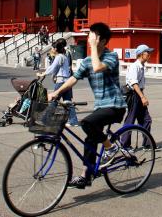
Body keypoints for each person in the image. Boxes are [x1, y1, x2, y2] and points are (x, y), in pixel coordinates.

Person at [47, 22, 126, 189]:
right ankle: (86, 176)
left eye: (92, 36)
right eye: (89, 36)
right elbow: (73, 79)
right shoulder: (87, 61)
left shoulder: (111, 57)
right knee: (90, 138)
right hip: (101, 107)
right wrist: (56, 93)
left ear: (102, 40)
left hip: (115, 105)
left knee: (87, 123)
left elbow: (97, 67)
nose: (89, 38)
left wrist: (94, 47)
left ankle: (110, 148)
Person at [36, 38, 78, 128]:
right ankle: (73, 121)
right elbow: (55, 68)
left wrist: (43, 73)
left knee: (54, 100)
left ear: (55, 49)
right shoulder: (64, 56)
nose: (51, 50)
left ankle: (45, 119)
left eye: (52, 48)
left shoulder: (59, 57)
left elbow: (53, 68)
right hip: (67, 81)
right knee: (67, 102)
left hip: (61, 81)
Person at [121, 44, 153, 145]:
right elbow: (134, 83)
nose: (149, 55)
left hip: (139, 93)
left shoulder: (142, 66)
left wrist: (142, 95)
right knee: (130, 120)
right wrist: (142, 97)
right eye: (147, 53)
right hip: (134, 95)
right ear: (141, 54)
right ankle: (125, 144)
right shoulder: (135, 66)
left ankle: (147, 144)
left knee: (146, 119)